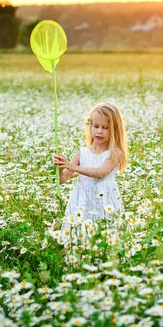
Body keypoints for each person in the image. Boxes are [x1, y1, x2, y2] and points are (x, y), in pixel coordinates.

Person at [53, 102, 129, 244]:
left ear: (115, 130)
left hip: (105, 200)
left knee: (105, 231)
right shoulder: (82, 153)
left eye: (105, 128)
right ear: (90, 127)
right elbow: (63, 179)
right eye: (96, 126)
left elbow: (100, 173)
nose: (99, 131)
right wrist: (60, 165)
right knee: (81, 233)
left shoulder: (115, 153)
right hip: (82, 200)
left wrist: (73, 167)